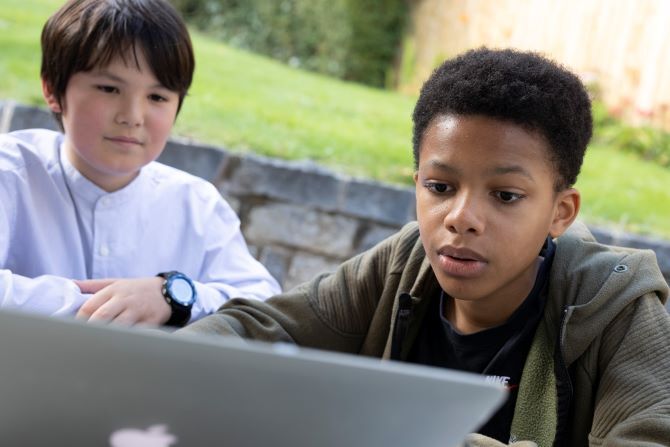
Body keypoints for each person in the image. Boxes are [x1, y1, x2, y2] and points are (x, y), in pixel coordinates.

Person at [178, 48, 670, 446]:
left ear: (560, 212)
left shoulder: (615, 305)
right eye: (440, 187)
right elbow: (258, 329)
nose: (460, 218)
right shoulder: (404, 262)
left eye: (505, 196)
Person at [0, 0, 280, 327]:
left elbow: (265, 307)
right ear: (52, 89)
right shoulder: (10, 172)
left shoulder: (198, 206)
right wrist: (110, 306)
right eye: (109, 88)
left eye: (157, 97)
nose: (132, 117)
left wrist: (173, 295)